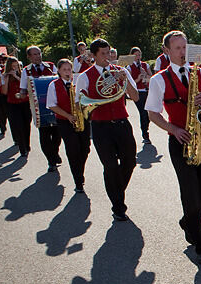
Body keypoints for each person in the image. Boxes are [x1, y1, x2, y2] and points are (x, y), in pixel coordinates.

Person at [146, 30, 201, 266]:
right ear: (166, 51)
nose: (182, 52)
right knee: (189, 192)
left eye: (184, 47)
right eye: (177, 48)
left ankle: (189, 221)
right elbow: (152, 113)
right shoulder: (158, 79)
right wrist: (173, 129)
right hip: (180, 140)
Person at [75, 38, 139, 221]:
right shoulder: (85, 76)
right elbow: (80, 105)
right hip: (101, 126)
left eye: (108, 53)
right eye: (102, 54)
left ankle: (116, 190)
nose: (107, 57)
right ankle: (118, 206)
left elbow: (135, 97)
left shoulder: (121, 71)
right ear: (93, 55)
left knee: (130, 162)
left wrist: (124, 81)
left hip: (121, 123)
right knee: (110, 166)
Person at [46, 59, 90, 193]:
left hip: (81, 119)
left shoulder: (77, 83)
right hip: (65, 121)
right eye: (64, 70)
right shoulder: (53, 85)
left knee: (85, 149)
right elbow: (52, 105)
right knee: (73, 150)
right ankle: (78, 180)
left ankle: (79, 172)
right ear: (58, 71)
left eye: (69, 69)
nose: (67, 72)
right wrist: (68, 116)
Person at [20, 45, 62, 171]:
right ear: (29, 57)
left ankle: (54, 153)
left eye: (39, 53)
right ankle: (51, 161)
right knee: (44, 135)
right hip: (38, 108)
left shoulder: (51, 66)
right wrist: (22, 93)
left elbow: (60, 80)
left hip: (54, 106)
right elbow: (23, 88)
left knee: (57, 134)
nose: (38, 56)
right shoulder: (26, 71)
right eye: (34, 54)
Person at [0, 56, 31, 156]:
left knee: (26, 125)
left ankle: (27, 144)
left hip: (25, 102)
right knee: (19, 125)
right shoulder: (4, 76)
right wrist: (7, 78)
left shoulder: (23, 74)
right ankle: (22, 148)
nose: (15, 68)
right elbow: (4, 92)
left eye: (16, 66)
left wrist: (16, 76)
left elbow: (27, 86)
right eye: (13, 67)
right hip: (13, 104)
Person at [127, 46, 152, 143]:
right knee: (143, 112)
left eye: (139, 54)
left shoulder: (145, 65)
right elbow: (129, 82)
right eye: (136, 55)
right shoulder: (129, 67)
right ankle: (145, 134)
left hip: (146, 91)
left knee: (149, 113)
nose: (138, 57)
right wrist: (138, 78)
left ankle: (146, 128)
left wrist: (145, 75)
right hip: (137, 92)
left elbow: (151, 78)